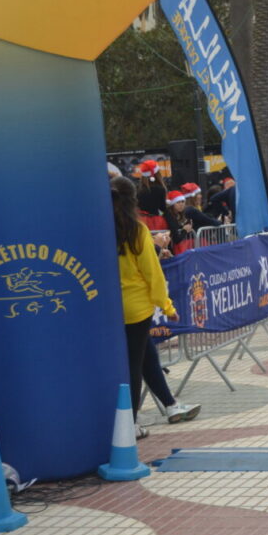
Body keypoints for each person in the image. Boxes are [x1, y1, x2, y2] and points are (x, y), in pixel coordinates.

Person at [110, 177, 200, 439]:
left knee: (146, 356)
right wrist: (167, 306)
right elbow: (153, 274)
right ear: (133, 201)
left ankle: (170, 405)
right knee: (134, 365)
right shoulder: (136, 230)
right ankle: (130, 423)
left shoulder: (101, 229)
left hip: (112, 307)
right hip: (137, 309)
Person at [136, 160, 168, 231]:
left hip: (140, 221)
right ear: (156, 174)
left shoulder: (138, 189)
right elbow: (162, 208)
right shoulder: (160, 189)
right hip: (154, 221)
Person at [164, 190, 195, 255]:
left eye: (183, 201)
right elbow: (176, 239)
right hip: (169, 249)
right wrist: (185, 230)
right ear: (172, 204)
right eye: (178, 202)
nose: (181, 204)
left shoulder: (181, 214)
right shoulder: (169, 215)